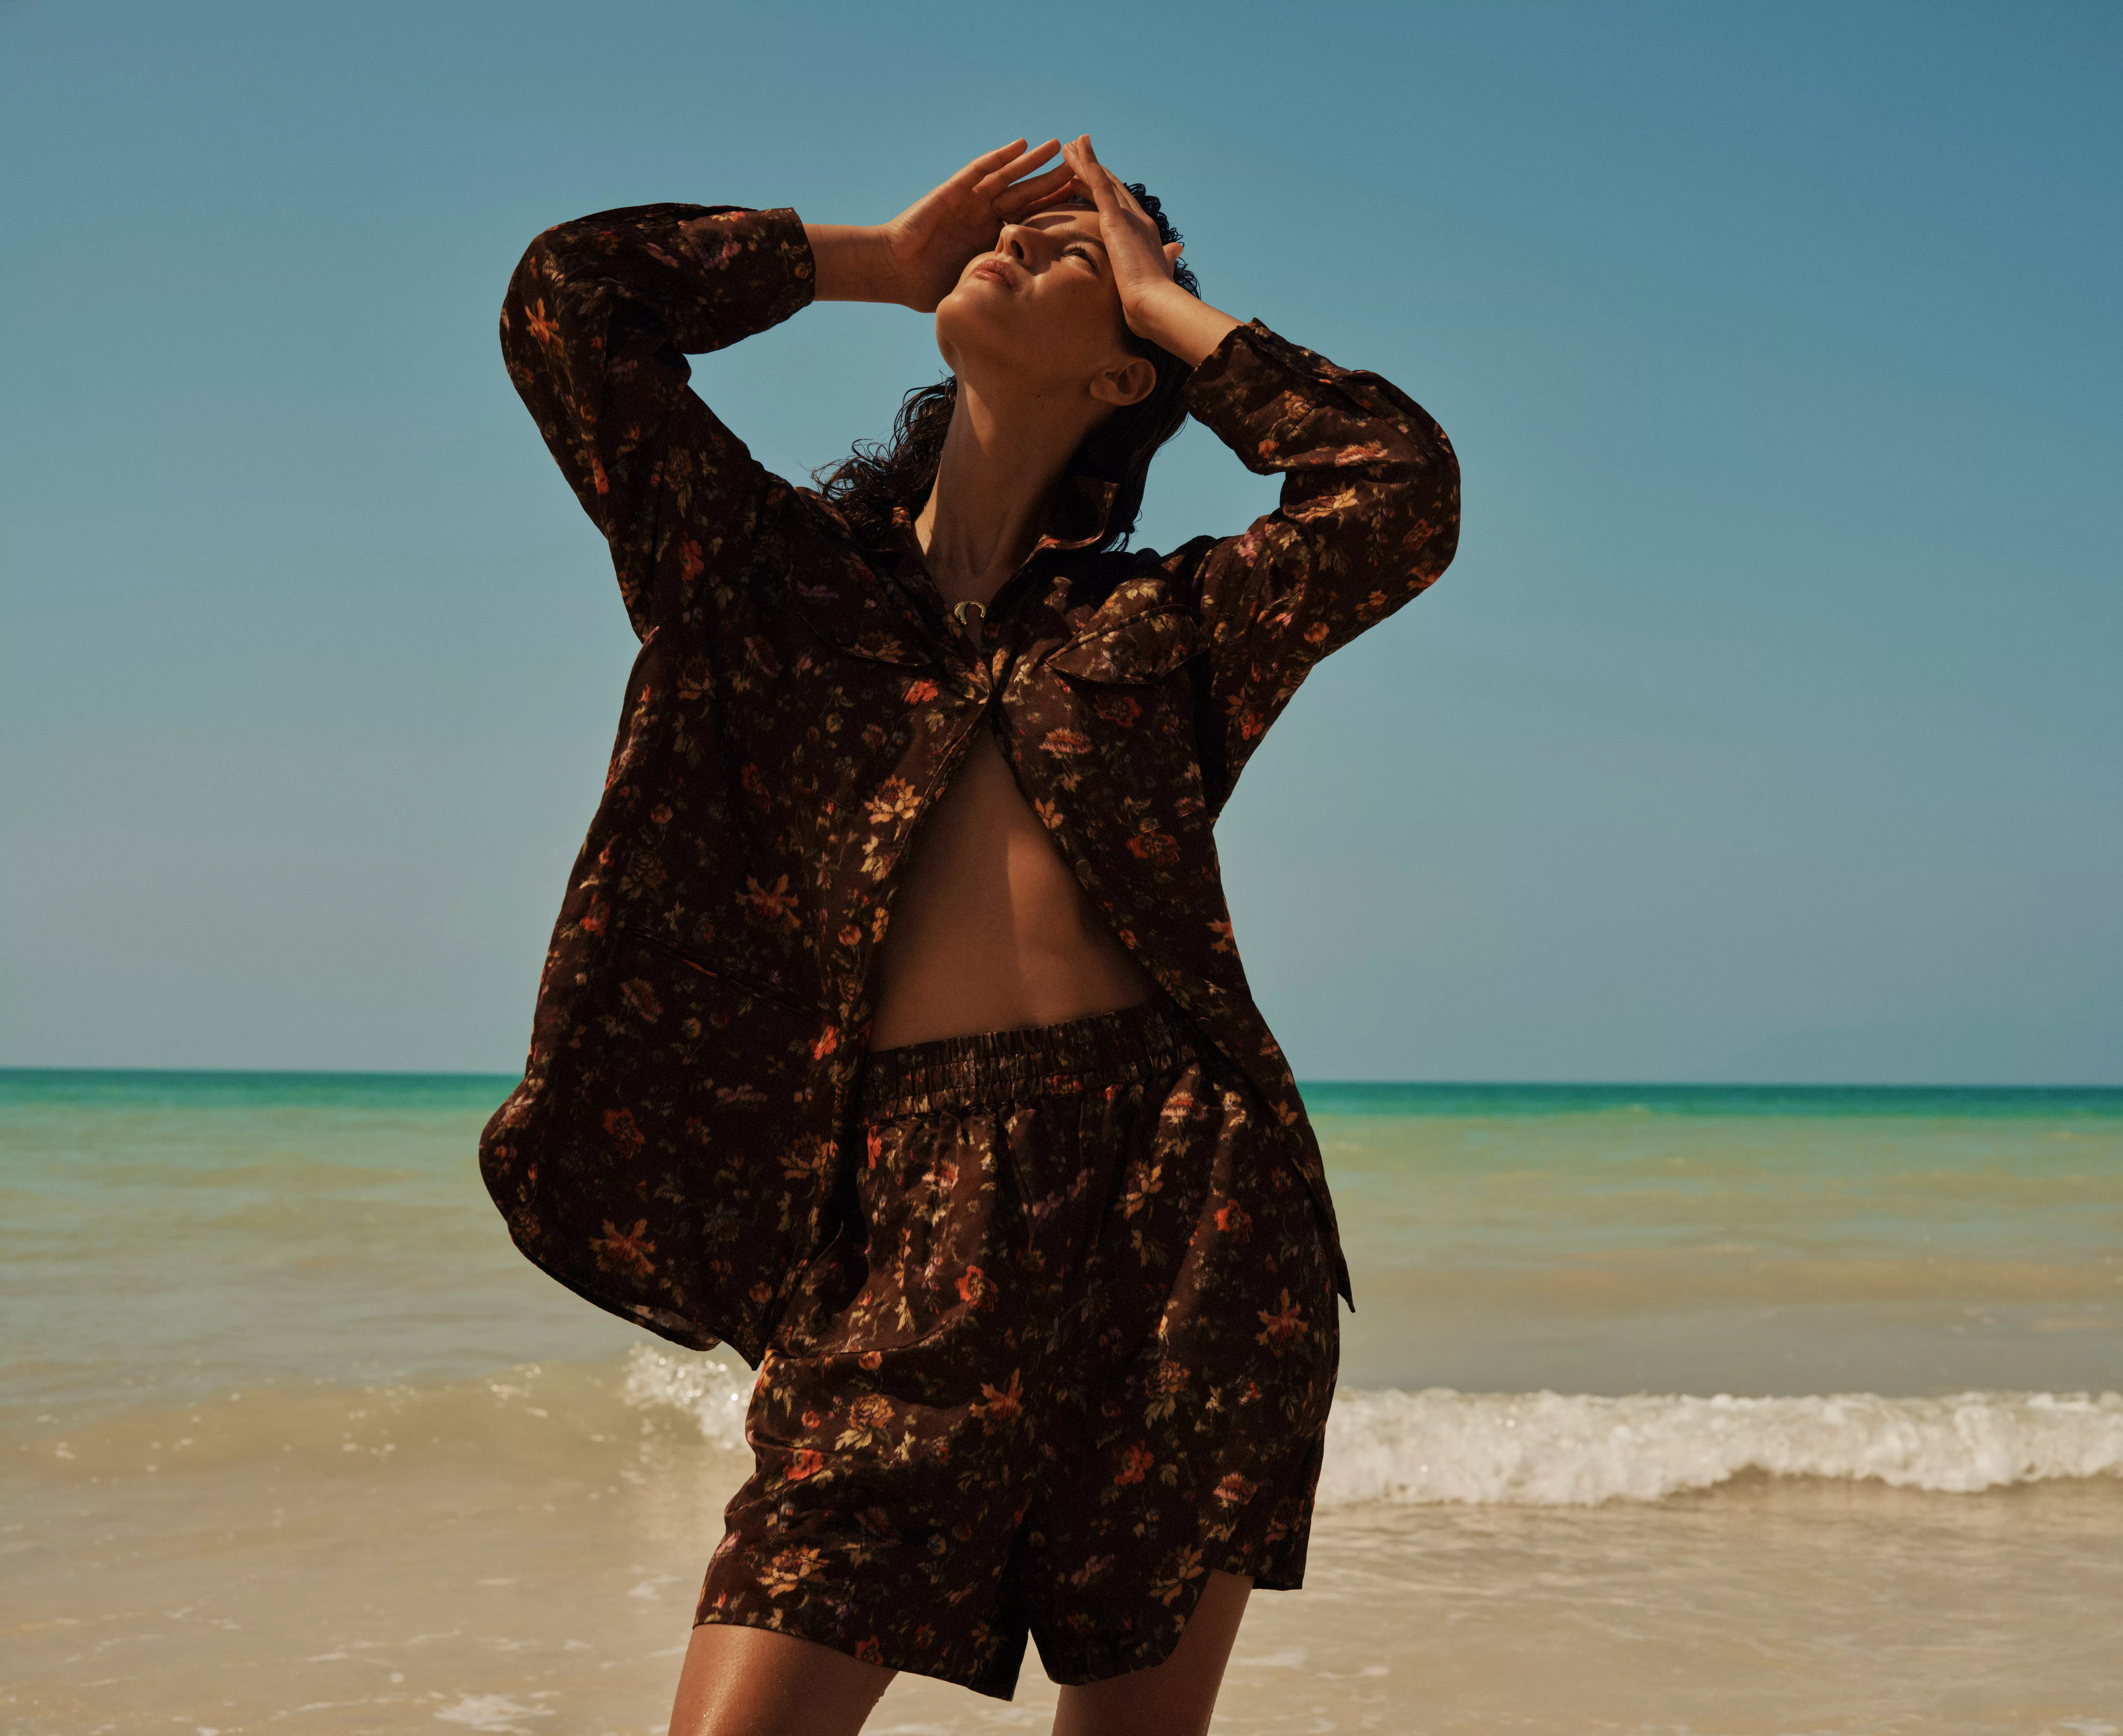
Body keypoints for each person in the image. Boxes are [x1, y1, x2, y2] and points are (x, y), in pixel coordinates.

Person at [484, 135, 1458, 1735]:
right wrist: (869, 254)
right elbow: (566, 302)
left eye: (1066, 250)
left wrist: (1174, 307)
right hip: (895, 1220)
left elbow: (1398, 492)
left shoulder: (1169, 627)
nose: (1012, 246)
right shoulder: (764, 578)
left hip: (1186, 1207)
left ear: (1129, 377)